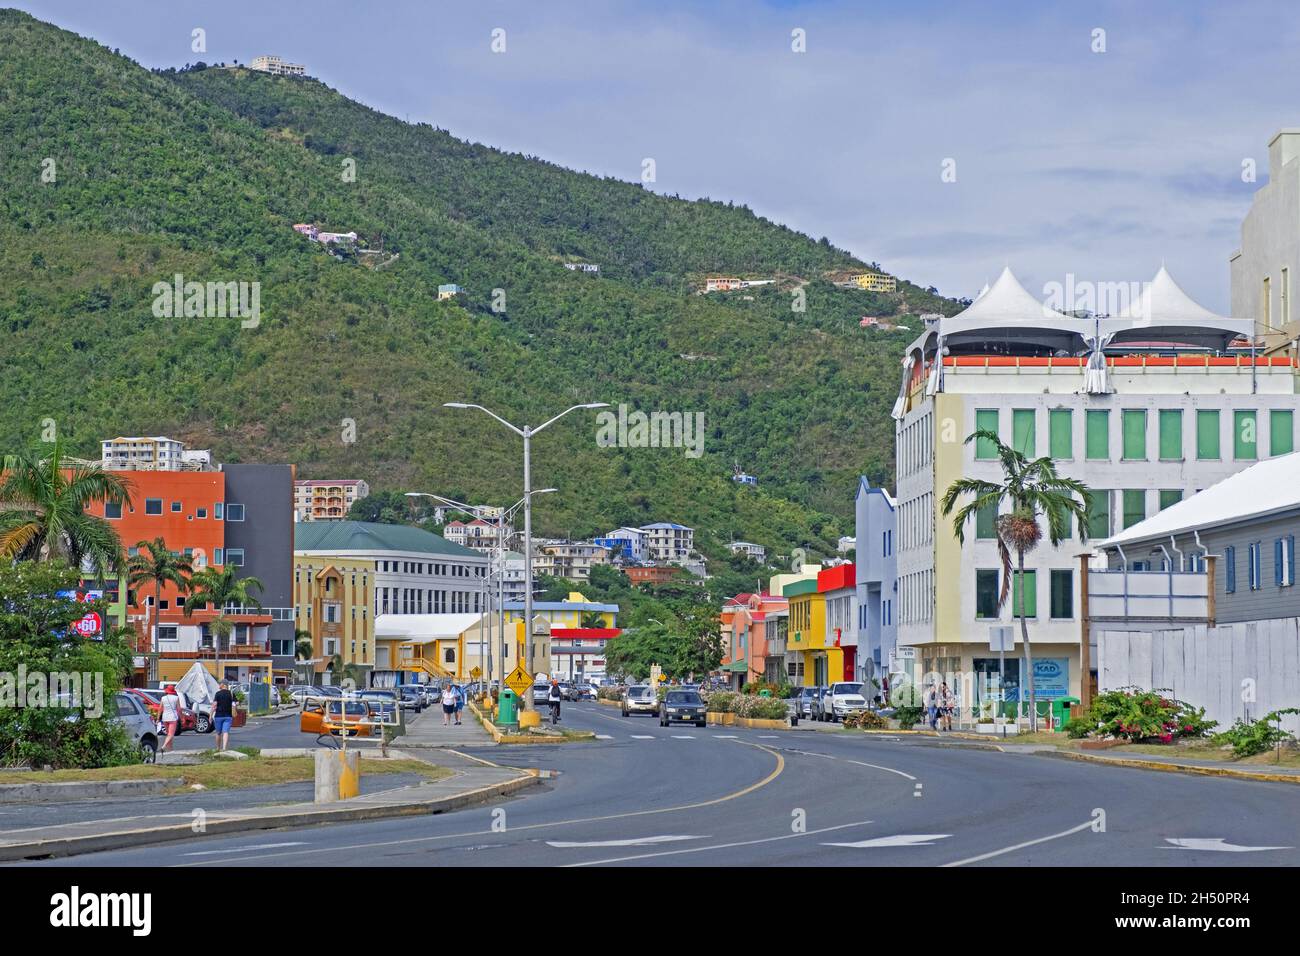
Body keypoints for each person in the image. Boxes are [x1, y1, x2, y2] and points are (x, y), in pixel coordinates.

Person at [211, 680, 235, 752]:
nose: (219, 685)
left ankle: (218, 748)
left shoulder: (218, 694)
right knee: (225, 732)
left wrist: (210, 715)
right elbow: (236, 702)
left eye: (220, 684)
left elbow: (214, 705)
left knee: (218, 732)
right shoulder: (231, 694)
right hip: (228, 716)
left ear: (224, 685)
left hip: (218, 716)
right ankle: (224, 748)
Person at [159, 684, 184, 753]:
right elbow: (179, 709)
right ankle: (164, 746)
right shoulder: (176, 698)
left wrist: (158, 718)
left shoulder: (163, 698)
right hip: (173, 717)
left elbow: (160, 709)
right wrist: (182, 717)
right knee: (171, 734)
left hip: (165, 717)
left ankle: (170, 749)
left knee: (168, 734)